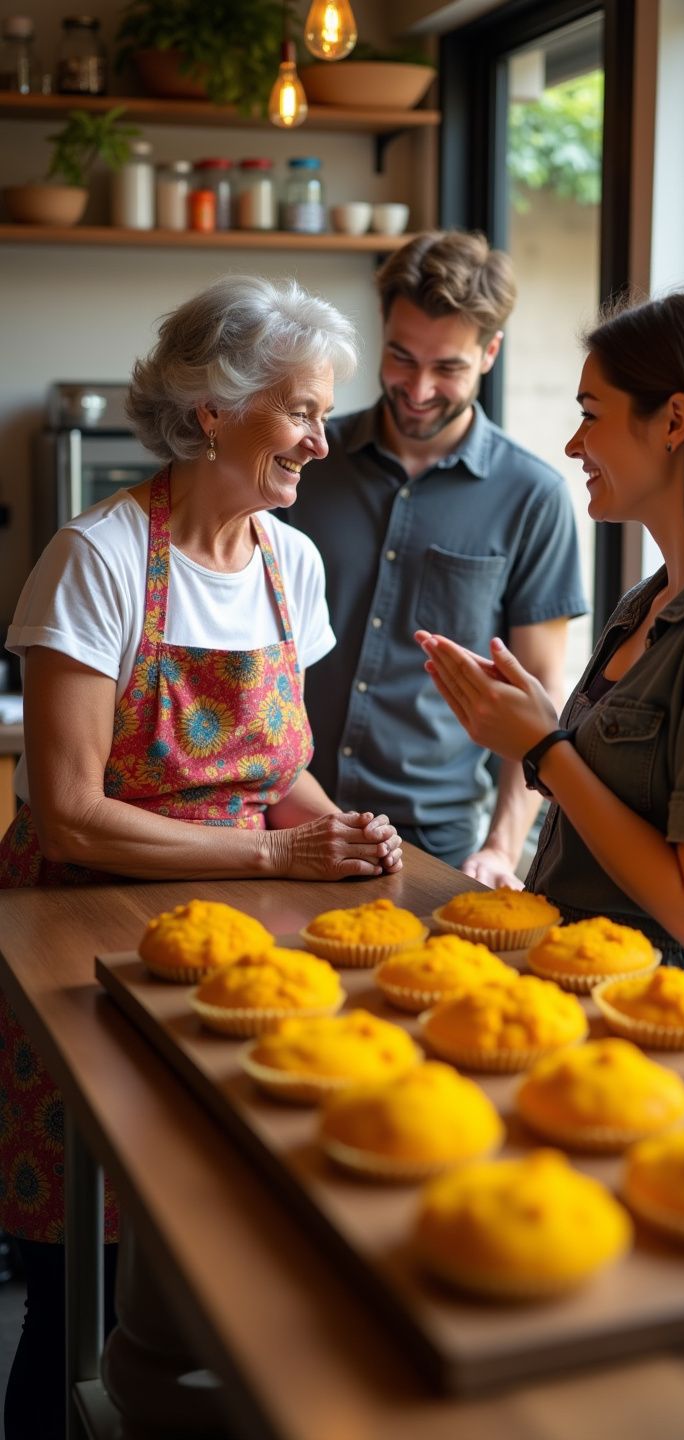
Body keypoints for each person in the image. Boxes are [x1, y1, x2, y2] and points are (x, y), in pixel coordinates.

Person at [0, 273, 402, 1440]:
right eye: (302, 412)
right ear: (214, 409)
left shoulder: (290, 565)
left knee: (220, 1240)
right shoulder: (100, 556)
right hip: (86, 951)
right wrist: (283, 851)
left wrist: (340, 830)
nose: (324, 441)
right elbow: (69, 811)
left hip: (242, 948)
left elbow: (279, 769)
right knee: (79, 1268)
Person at [418, 285, 684, 1016]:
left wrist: (543, 749)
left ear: (673, 421)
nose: (573, 444)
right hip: (598, 982)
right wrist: (532, 724)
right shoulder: (654, 599)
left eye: (590, 416)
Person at [284, 230, 587, 888]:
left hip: (433, 845)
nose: (418, 388)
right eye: (400, 357)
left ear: (489, 353)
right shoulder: (302, 461)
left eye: (447, 367)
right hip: (280, 820)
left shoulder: (533, 497)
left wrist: (502, 848)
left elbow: (537, 693)